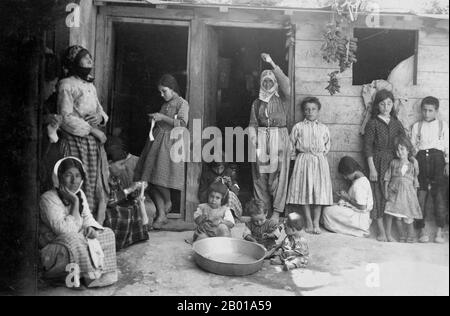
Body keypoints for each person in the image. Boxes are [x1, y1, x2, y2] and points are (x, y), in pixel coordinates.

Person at [39, 157, 117, 289]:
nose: (74, 181)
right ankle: (87, 277)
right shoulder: (48, 198)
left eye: (77, 175)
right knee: (75, 239)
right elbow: (65, 232)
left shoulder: (79, 194)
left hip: (76, 239)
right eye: (68, 175)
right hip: (54, 249)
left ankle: (104, 272)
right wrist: (74, 203)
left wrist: (91, 227)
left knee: (107, 233)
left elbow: (87, 217)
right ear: (59, 177)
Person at [58, 45, 110, 224]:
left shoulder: (89, 85)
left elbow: (101, 112)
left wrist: (99, 118)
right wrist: (93, 130)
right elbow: (65, 118)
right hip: (76, 141)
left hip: (92, 144)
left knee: (95, 185)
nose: (90, 61)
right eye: (85, 58)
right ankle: (77, 225)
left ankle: (94, 225)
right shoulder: (66, 84)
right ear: (74, 61)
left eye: (91, 58)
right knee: (78, 183)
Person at [134, 74, 189, 230]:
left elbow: (182, 124)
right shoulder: (166, 103)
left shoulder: (182, 103)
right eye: (160, 92)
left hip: (170, 143)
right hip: (157, 141)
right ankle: (161, 214)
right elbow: (164, 120)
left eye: (164, 91)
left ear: (173, 88)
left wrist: (162, 117)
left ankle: (167, 202)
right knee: (149, 179)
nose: (162, 94)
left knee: (159, 178)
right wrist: (155, 119)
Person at [248, 53, 291, 223]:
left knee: (278, 176)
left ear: (275, 83)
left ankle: (276, 212)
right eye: (264, 81)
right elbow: (252, 123)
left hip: (279, 137)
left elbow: (286, 82)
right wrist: (254, 139)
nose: (267, 84)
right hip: (261, 138)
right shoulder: (257, 103)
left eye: (270, 81)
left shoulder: (284, 99)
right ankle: (262, 210)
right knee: (260, 175)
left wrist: (272, 63)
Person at [364, 89, 406, 242]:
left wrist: (410, 159)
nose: (386, 107)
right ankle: (381, 232)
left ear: (393, 105)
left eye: (389, 103)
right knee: (378, 195)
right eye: (382, 104)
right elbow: (367, 147)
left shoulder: (396, 123)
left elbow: (404, 142)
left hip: (394, 163)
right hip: (378, 162)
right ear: (377, 106)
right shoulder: (373, 123)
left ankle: (389, 232)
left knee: (391, 197)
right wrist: (372, 168)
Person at [287, 97, 333, 235]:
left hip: (319, 161)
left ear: (318, 111)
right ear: (303, 111)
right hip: (303, 161)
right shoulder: (298, 127)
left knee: (319, 192)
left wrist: (319, 155)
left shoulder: (323, 128)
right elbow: (291, 145)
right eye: (307, 109)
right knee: (305, 192)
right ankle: (307, 220)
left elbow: (327, 145)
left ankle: (315, 222)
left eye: (313, 109)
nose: (310, 112)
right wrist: (295, 159)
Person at [411, 96, 449, 244]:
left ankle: (439, 231)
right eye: (424, 110)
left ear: (436, 111)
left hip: (438, 161)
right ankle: (421, 230)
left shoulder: (443, 126)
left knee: (439, 197)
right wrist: (413, 162)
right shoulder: (417, 126)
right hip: (421, 162)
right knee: (421, 197)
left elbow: (447, 147)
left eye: (430, 111)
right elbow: (413, 147)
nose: (426, 114)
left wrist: (447, 163)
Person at [383, 136, 422, 243]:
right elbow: (387, 178)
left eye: (402, 149)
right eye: (397, 150)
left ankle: (411, 235)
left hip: (408, 195)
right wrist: (386, 191)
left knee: (408, 217)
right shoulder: (393, 163)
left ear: (408, 150)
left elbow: (415, 182)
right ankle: (401, 235)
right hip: (395, 192)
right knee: (396, 216)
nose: (399, 152)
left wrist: (414, 196)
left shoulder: (412, 166)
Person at [323, 157, 373, 238]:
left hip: (359, 217)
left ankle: (360, 230)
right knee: (331, 206)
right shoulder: (361, 180)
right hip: (358, 215)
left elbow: (362, 206)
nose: (345, 178)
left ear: (351, 171)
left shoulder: (360, 184)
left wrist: (347, 198)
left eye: (345, 175)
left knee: (327, 211)